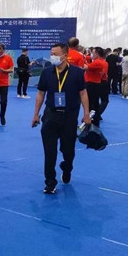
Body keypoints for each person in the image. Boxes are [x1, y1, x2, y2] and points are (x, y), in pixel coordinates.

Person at [32, 42, 91, 195]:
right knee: (49, 152)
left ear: (65, 55)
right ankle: (50, 182)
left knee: (68, 151)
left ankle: (67, 167)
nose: (53, 56)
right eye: (51, 54)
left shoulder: (77, 73)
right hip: (50, 115)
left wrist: (86, 114)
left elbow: (83, 93)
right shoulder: (47, 73)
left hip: (69, 117)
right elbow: (40, 93)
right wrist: (36, 114)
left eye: (56, 54)